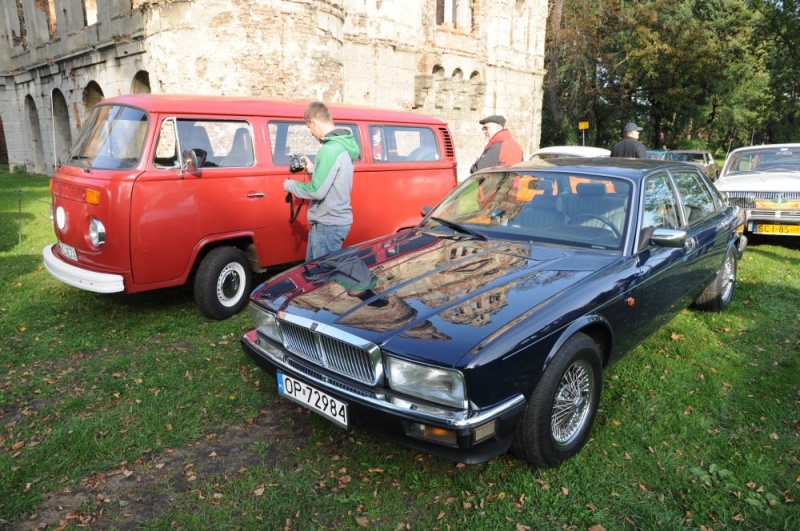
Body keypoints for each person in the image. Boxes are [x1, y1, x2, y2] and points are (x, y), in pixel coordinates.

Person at [284, 101, 361, 262]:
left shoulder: (329, 149)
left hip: (328, 225)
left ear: (314, 122)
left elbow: (316, 191)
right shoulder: (342, 144)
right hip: (333, 222)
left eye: (309, 128)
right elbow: (336, 177)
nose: (311, 133)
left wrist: (290, 185)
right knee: (315, 272)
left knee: (322, 274)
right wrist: (313, 169)